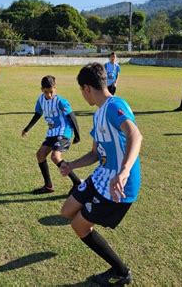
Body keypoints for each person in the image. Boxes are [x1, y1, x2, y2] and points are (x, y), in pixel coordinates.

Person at [59, 63, 142, 285]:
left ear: (86, 88)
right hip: (101, 176)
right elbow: (96, 153)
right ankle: (88, 219)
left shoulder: (115, 106)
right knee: (66, 211)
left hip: (118, 185)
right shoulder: (98, 115)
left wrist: (124, 171)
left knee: (79, 225)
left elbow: (136, 135)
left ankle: (121, 271)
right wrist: (72, 165)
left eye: (80, 90)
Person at [22, 75, 82, 194]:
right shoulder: (40, 100)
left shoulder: (61, 101)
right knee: (40, 155)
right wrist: (27, 128)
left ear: (55, 88)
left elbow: (72, 116)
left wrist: (77, 135)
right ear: (41, 90)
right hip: (52, 132)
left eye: (51, 91)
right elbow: (38, 114)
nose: (49, 95)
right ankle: (48, 186)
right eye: (46, 92)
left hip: (64, 131)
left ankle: (77, 183)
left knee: (55, 156)